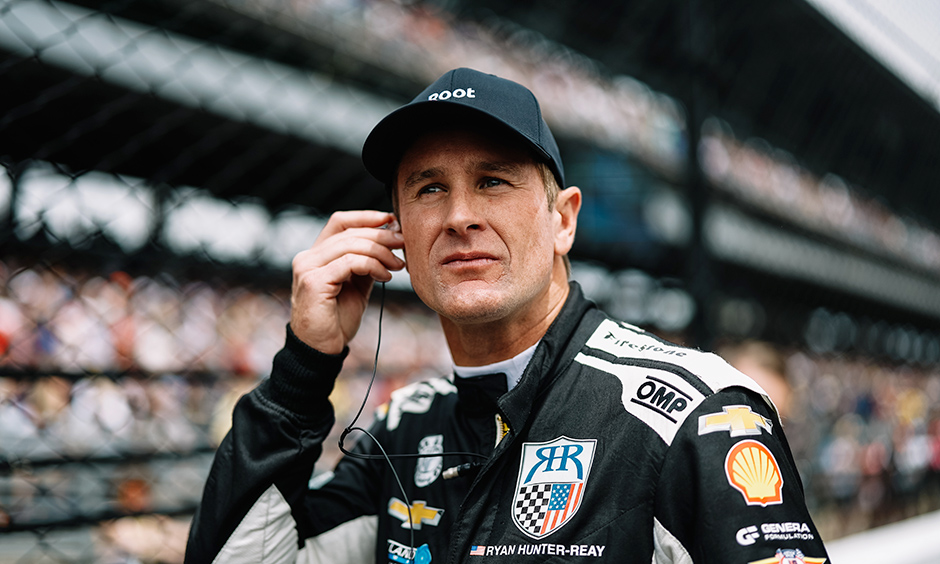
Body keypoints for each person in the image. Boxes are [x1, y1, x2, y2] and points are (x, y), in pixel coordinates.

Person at [185, 68, 829, 563]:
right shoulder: (404, 431)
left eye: (493, 181)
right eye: (430, 188)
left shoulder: (695, 414)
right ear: (397, 232)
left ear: (563, 220)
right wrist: (304, 367)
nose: (460, 216)